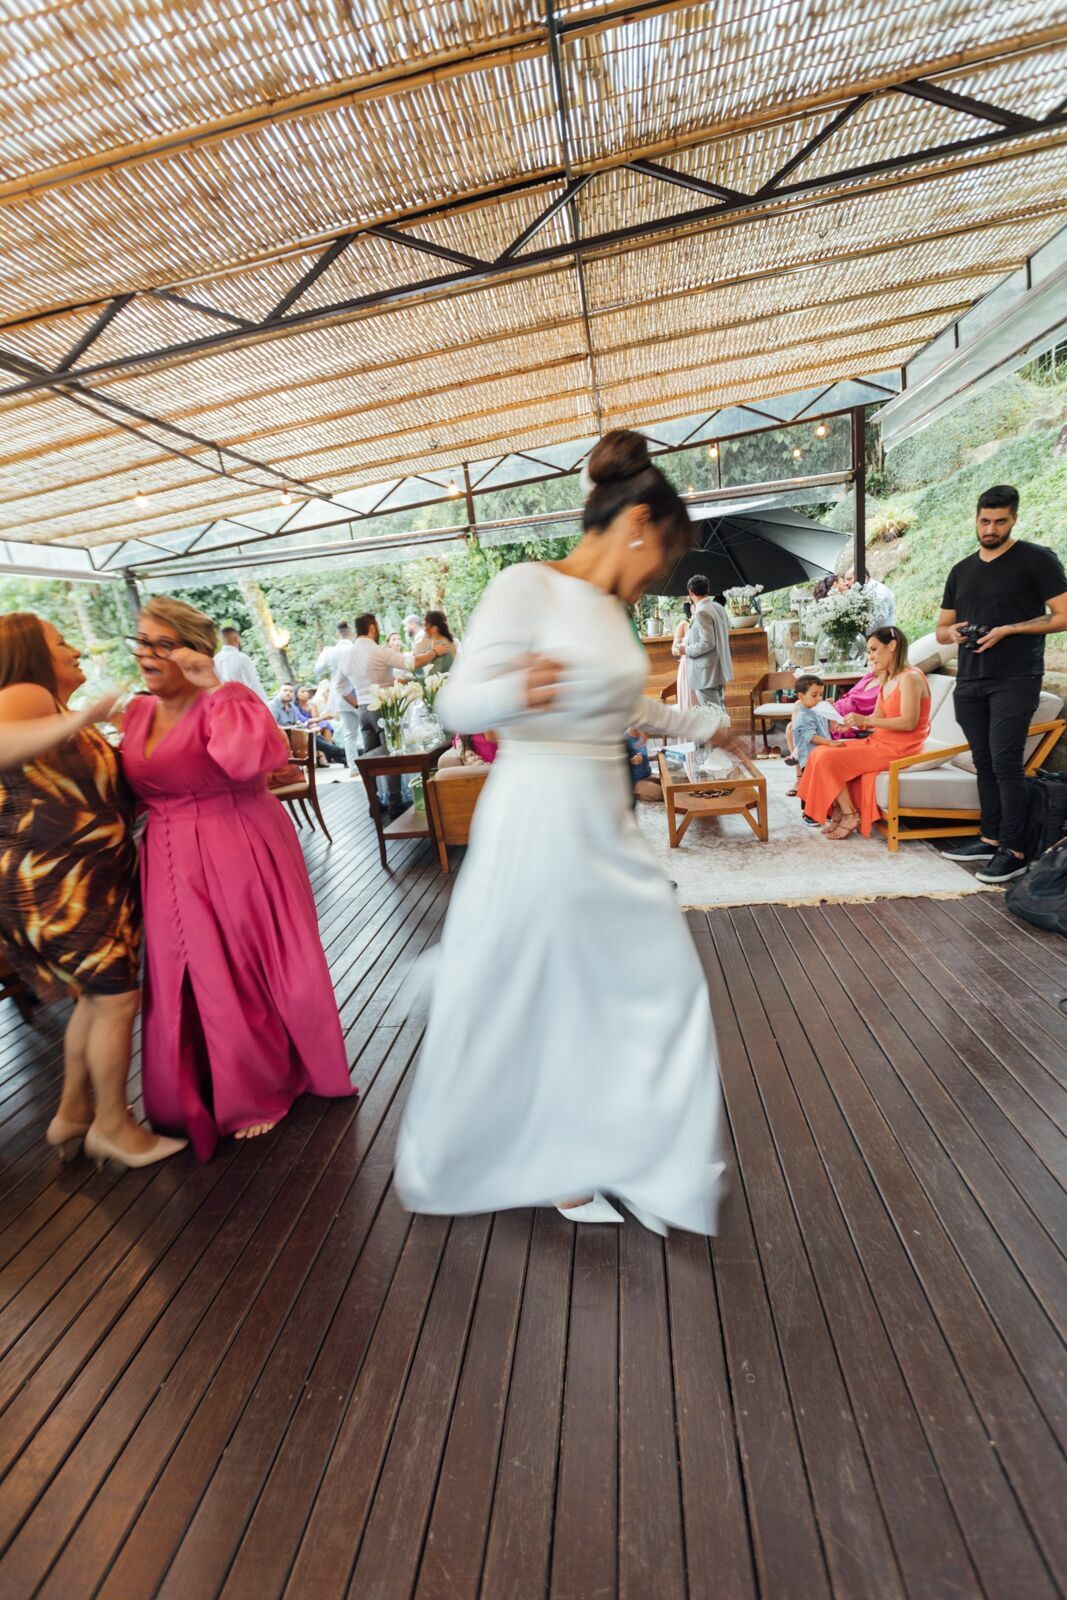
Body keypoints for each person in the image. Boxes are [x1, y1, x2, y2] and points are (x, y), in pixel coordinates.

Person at [396, 429, 733, 1236]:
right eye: (663, 553)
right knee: (557, 991)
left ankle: (631, 1154)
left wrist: (706, 725)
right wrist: (514, 685)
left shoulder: (608, 612)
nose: (657, 574)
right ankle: (561, 1168)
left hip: (601, 821)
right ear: (638, 525)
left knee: (642, 987)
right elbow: (454, 706)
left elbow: (627, 706)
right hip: (538, 815)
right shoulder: (526, 586)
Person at [120, 596, 355, 1160]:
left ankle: (257, 1086)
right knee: (187, 971)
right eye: (142, 642)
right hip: (168, 854)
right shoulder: (136, 713)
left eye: (163, 643)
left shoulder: (230, 701)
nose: (148, 654)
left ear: (194, 651)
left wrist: (215, 688)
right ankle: (200, 1083)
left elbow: (250, 761)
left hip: (237, 840)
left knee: (243, 965)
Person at [0, 613, 185, 1171]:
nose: (76, 649)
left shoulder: (49, 707)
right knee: (116, 999)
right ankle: (115, 1128)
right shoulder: (23, 693)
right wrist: (84, 716)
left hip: (80, 879)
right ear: (33, 655)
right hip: (58, 882)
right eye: (62, 643)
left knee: (96, 997)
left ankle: (75, 1113)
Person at [937, 485, 1067, 884]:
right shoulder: (961, 569)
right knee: (985, 763)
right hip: (970, 679)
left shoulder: (1036, 559)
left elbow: (1062, 615)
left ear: (1014, 519)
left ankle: (1015, 851)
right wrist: (955, 634)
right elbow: (941, 630)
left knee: (1007, 764)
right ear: (976, 518)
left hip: (1015, 677)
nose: (991, 528)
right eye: (985, 521)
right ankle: (991, 837)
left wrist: (1009, 629)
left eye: (1000, 521)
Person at [798, 626, 931, 840]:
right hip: (879, 741)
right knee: (821, 752)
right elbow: (878, 721)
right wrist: (851, 725)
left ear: (893, 646)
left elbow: (909, 722)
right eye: (869, 651)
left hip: (899, 748)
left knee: (828, 758)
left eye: (874, 650)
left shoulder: (911, 677)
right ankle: (839, 810)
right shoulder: (887, 679)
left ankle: (850, 815)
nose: (871, 656)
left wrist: (866, 719)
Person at [337, 614, 446, 814]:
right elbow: (410, 663)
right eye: (376, 626)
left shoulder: (347, 655)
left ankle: (374, 803)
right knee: (391, 753)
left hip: (363, 711)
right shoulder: (378, 651)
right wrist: (434, 652)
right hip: (384, 709)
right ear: (372, 628)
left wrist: (359, 705)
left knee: (370, 759)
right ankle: (395, 803)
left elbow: (341, 688)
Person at [314, 622, 361, 771]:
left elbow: (318, 670)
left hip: (341, 695)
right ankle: (369, 762)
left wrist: (324, 653)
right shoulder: (357, 648)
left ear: (337, 635)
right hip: (360, 691)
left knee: (350, 733)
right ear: (352, 633)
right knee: (366, 729)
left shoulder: (330, 652)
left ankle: (353, 767)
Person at [685, 575, 733, 709]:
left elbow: (707, 643)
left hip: (706, 673)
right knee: (720, 710)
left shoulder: (701, 612)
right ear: (707, 589)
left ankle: (723, 731)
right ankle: (726, 731)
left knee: (714, 715)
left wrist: (686, 650)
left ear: (690, 592)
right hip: (719, 669)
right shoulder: (719, 608)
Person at [786, 675, 832, 806]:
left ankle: (822, 808)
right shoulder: (803, 716)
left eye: (821, 695)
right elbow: (811, 736)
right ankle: (808, 812)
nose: (819, 698)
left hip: (819, 754)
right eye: (814, 695)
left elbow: (823, 729)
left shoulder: (816, 710)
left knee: (820, 783)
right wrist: (829, 742)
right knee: (810, 784)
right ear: (801, 697)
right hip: (809, 756)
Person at [213, 626, 269, 702]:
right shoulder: (242, 658)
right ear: (236, 639)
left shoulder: (215, 660)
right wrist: (265, 705)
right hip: (245, 703)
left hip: (226, 705)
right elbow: (252, 684)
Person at [671, 614, 697, 708]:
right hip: (685, 666)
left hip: (699, 666)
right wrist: (682, 650)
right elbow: (673, 650)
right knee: (687, 698)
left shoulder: (703, 621)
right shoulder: (683, 625)